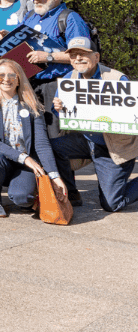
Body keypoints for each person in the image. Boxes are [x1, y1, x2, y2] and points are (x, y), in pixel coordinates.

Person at [50, 36, 138, 212]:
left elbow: (132, 116)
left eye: (83, 54)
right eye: (73, 55)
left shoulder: (117, 79)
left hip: (113, 147)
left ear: (96, 57)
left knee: (112, 204)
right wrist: (58, 108)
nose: (78, 58)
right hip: (86, 140)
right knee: (49, 148)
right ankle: (70, 193)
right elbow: (61, 114)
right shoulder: (69, 79)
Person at [0, 58, 66, 217]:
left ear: (19, 79)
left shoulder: (32, 106)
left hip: (26, 165)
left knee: (23, 199)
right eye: (1, 75)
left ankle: (26, 189)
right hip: (4, 161)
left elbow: (41, 144)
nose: (6, 79)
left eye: (12, 75)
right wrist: (24, 158)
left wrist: (55, 176)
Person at [23, 0, 85, 88]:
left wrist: (48, 57)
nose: (35, 1)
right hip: (29, 82)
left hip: (58, 83)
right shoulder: (30, 16)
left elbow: (81, 56)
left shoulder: (70, 18)